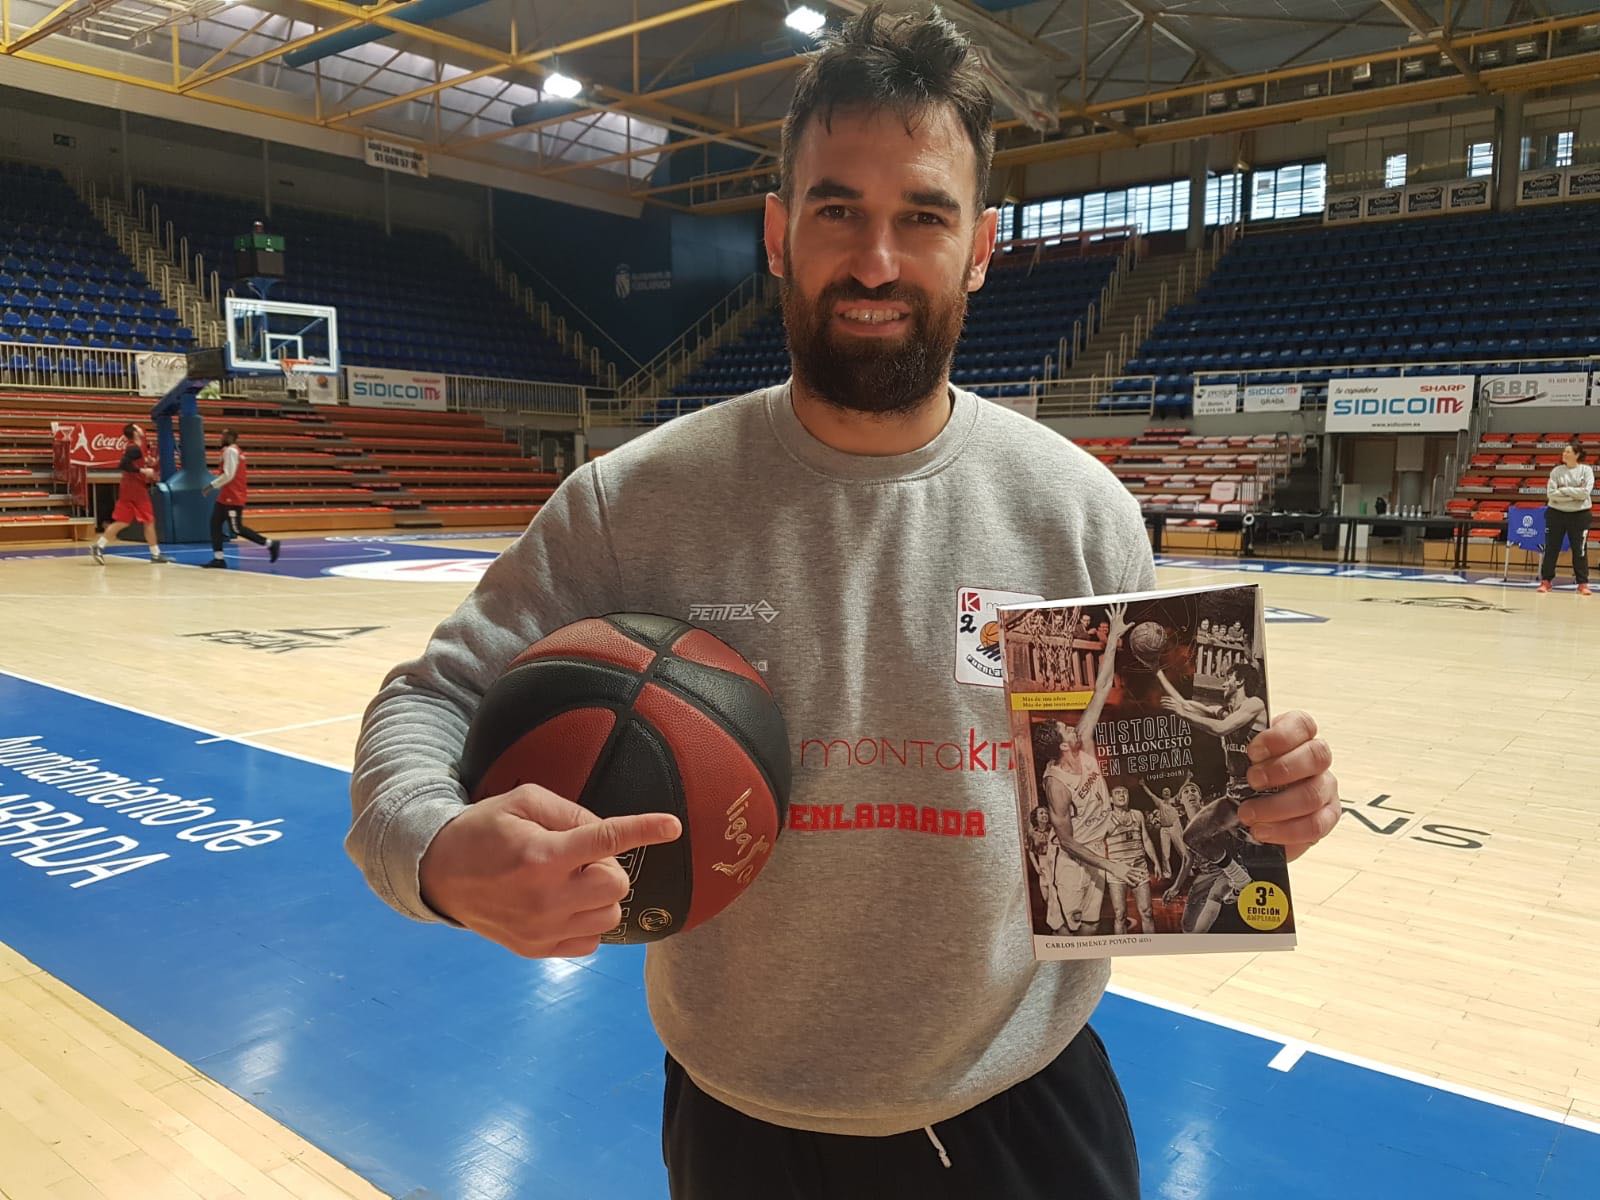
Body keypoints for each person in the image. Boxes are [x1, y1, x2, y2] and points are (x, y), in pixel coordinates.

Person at [346, 9, 1342, 1198]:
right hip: (745, 1123)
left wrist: (1258, 803)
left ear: (979, 246)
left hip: (1028, 1108)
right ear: (778, 233)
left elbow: (1143, 805)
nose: (875, 260)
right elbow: (432, 700)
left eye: (921, 215)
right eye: (837, 211)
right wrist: (441, 849)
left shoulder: (1076, 511)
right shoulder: (633, 499)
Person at [92, 422, 171, 564]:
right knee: (149, 520)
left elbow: (134, 462)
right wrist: (143, 471)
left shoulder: (138, 447)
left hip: (128, 487)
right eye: (137, 427)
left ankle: (99, 546)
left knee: (123, 521)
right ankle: (155, 554)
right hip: (135, 488)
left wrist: (148, 463)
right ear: (135, 432)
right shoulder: (134, 448)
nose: (141, 428)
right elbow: (123, 464)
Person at [201, 428, 280, 569]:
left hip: (233, 496)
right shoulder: (233, 451)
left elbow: (229, 475)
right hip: (225, 496)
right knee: (215, 524)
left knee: (237, 529)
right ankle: (218, 559)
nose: (221, 438)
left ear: (231, 437)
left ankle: (270, 543)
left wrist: (211, 486)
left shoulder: (231, 451)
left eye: (223, 435)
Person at [1539, 438, 1593, 595]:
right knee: (1551, 548)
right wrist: (1573, 494)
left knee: (1580, 549)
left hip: (1580, 515)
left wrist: (1564, 490)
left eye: (1568, 451)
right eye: (1564, 451)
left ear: (1577, 455)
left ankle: (1582, 583)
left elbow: (1585, 493)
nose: (1564, 454)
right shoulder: (1556, 472)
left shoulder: (1586, 471)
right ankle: (1546, 581)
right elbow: (1551, 494)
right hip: (1556, 513)